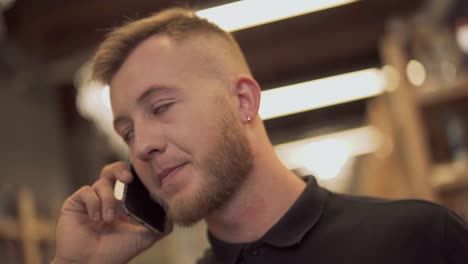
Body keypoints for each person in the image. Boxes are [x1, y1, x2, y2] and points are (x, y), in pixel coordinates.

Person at [52, 7, 468, 264]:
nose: (142, 145)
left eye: (161, 107)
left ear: (244, 101)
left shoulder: (417, 239)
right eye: (127, 132)